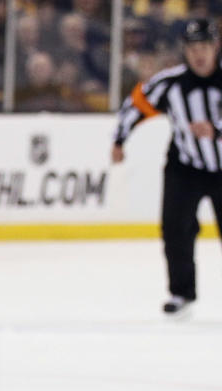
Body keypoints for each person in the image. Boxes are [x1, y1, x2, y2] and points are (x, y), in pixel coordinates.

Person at [112, 18, 222, 316]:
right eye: (192, 48)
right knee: (175, 230)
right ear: (184, 51)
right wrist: (119, 140)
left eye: (204, 46)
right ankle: (182, 293)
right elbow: (135, 105)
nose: (199, 54)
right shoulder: (170, 82)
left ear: (216, 47)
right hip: (185, 167)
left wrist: (217, 129)